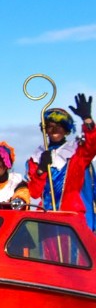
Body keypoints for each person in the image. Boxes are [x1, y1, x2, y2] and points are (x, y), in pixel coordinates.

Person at [26, 94, 96, 227]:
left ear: (66, 130)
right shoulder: (37, 156)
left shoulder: (76, 152)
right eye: (50, 126)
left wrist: (87, 119)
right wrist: (41, 169)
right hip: (46, 217)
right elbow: (34, 193)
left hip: (72, 216)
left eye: (59, 125)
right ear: (45, 130)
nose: (55, 130)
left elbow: (92, 145)